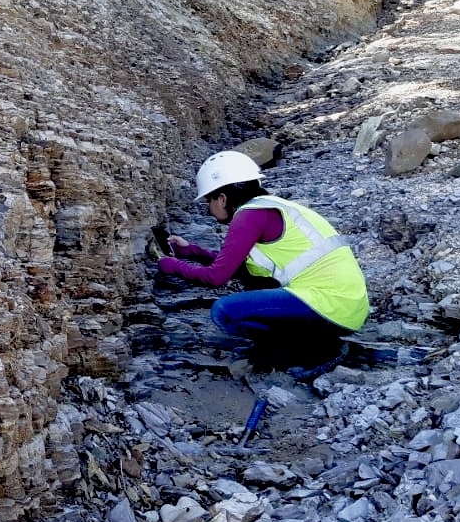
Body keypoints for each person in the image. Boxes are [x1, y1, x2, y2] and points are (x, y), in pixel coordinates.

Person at [157, 151, 369, 379]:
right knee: (252, 282)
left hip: (331, 305)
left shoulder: (249, 216)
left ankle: (316, 350)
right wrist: (192, 251)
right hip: (348, 305)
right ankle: (307, 343)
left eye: (209, 200)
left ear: (222, 198)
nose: (209, 209)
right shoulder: (269, 208)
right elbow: (237, 266)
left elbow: (216, 277)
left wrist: (172, 266)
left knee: (224, 312)